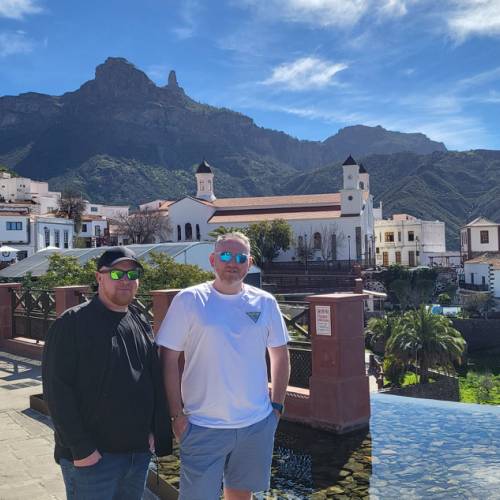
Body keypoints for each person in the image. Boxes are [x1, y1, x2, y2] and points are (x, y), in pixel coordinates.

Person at [157, 232, 290, 500]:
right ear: (212, 260)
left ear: (249, 263)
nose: (233, 263)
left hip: (255, 424)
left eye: (241, 258)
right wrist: (176, 416)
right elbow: (168, 358)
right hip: (202, 425)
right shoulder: (189, 300)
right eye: (226, 255)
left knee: (241, 496)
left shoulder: (265, 302)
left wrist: (276, 408)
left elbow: (280, 355)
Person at [42, 247, 172, 500]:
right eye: (115, 274)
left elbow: (151, 379)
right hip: (94, 460)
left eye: (132, 274)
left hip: (137, 455)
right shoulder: (72, 323)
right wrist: (82, 449)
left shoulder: (139, 320)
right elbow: (56, 391)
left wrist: (155, 431)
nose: (125, 280)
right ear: (99, 277)